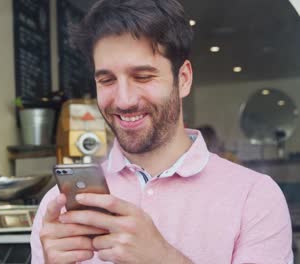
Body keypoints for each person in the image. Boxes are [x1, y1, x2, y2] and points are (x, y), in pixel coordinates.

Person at [30, 0, 293, 263]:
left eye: (143, 77)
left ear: (184, 79)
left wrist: (162, 258)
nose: (123, 100)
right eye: (107, 80)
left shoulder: (255, 197)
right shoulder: (58, 206)